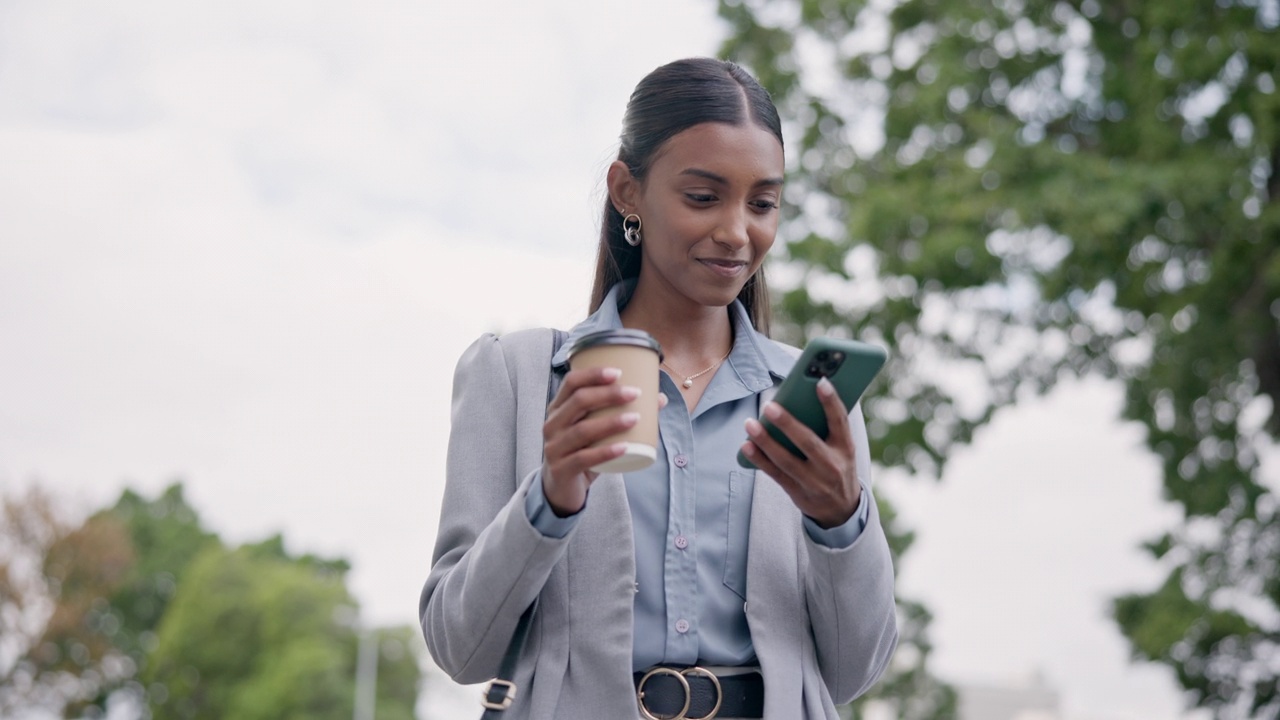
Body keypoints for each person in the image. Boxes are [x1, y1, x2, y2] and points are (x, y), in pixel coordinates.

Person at [420, 57, 897, 720]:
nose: (737, 232)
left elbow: (852, 673)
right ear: (627, 191)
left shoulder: (809, 396)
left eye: (762, 203)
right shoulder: (517, 375)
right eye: (703, 197)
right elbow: (459, 648)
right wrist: (550, 499)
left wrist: (840, 522)